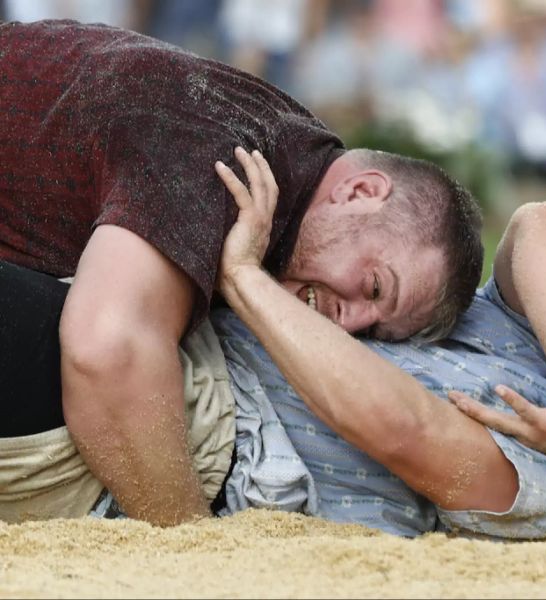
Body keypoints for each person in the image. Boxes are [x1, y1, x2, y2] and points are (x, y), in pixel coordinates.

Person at [0, 155, 546, 537]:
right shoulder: (545, 359)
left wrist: (245, 278)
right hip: (152, 324)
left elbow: (409, 431)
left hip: (187, 430)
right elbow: (545, 222)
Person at [0, 19, 483, 526]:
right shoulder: (229, 163)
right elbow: (107, 351)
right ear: (361, 192)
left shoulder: (290, 148)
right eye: (375, 287)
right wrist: (196, 542)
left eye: (375, 331)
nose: (349, 323)